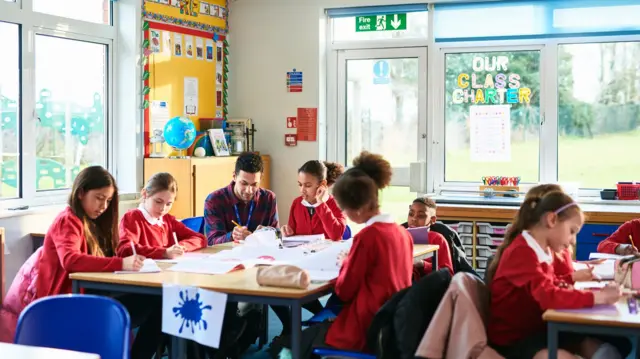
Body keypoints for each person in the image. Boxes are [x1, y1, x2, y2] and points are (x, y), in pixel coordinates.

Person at [270, 151, 414, 358]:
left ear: (356, 208)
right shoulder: (401, 232)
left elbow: (344, 291)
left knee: (283, 349)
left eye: (343, 209)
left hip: (364, 327)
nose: (343, 213)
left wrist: (347, 262)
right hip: (389, 324)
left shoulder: (367, 237)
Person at [486, 186, 630, 359]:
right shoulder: (523, 252)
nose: (573, 241)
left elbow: (548, 283)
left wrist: (570, 280)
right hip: (514, 341)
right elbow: (548, 296)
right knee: (591, 348)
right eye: (572, 231)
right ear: (552, 220)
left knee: (607, 348)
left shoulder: (540, 249)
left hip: (535, 330)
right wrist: (598, 297)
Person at [36, 166, 162, 358]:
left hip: (90, 293)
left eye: (108, 200)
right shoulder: (68, 220)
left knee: (162, 303)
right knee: (158, 304)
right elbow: (70, 260)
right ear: (81, 193)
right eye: (99, 198)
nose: (104, 206)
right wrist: (121, 264)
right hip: (67, 302)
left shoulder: (91, 222)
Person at [118, 172, 207, 258]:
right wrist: (164, 252)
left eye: (168, 204)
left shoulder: (167, 220)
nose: (163, 208)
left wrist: (180, 247)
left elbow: (200, 238)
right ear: (145, 194)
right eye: (158, 201)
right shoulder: (132, 218)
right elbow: (125, 250)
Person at [204, 152, 278, 245]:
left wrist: (267, 233)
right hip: (227, 257)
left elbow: (277, 235)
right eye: (244, 183)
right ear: (234, 176)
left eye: (254, 184)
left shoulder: (269, 198)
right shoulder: (214, 200)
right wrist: (232, 236)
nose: (249, 190)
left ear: (261, 178)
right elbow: (212, 241)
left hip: (260, 256)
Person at [280, 160, 346, 240]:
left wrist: (321, 204)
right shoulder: (296, 203)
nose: (302, 190)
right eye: (300, 184)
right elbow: (292, 234)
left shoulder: (337, 203)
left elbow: (336, 236)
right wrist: (286, 232)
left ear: (323, 184)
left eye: (308, 185)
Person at [401, 197, 453, 276]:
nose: (414, 219)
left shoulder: (437, 239)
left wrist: (423, 264)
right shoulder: (400, 235)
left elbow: (448, 274)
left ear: (432, 220)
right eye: (411, 214)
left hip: (425, 284)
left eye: (421, 216)